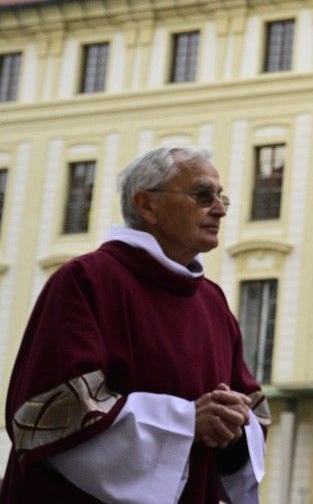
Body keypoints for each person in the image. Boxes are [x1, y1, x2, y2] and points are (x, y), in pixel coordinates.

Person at [1, 146, 269, 503]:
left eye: (222, 198)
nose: (219, 209)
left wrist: (235, 424)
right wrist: (186, 420)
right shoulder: (86, 280)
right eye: (203, 195)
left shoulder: (212, 302)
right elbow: (53, 416)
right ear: (146, 205)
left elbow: (251, 408)